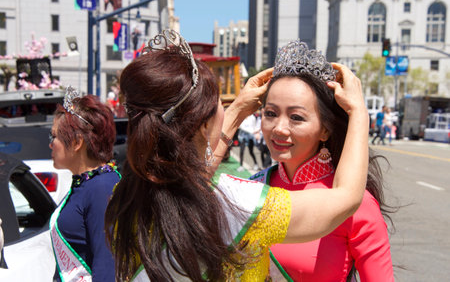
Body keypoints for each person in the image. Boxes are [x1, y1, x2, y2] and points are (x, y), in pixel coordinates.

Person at [104, 29, 370, 281]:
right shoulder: (238, 204)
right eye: (219, 100)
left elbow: (189, 181)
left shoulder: (124, 196)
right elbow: (345, 198)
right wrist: (358, 112)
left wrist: (236, 112)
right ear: (205, 124)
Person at [250, 40, 394, 281]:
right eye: (270, 114)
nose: (279, 128)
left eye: (296, 117)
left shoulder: (354, 202)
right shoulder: (253, 188)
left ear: (325, 130)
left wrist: (359, 112)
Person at [49, 87, 120, 282]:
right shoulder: (87, 184)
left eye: (53, 136)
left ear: (77, 142)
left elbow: (108, 266)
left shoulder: (102, 188)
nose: (50, 144)